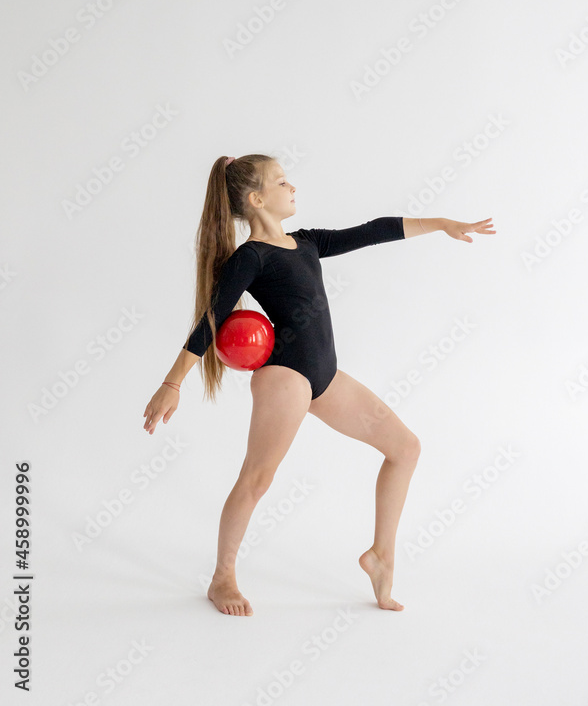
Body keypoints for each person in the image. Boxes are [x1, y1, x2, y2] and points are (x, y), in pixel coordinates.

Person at [142, 153, 495, 616]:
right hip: (285, 376)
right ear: (257, 198)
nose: (293, 188)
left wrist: (442, 222)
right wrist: (173, 383)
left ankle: (381, 555)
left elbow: (373, 231)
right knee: (258, 478)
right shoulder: (251, 257)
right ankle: (222, 577)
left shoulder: (306, 242)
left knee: (405, 448)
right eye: (282, 181)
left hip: (325, 376)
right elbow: (210, 318)